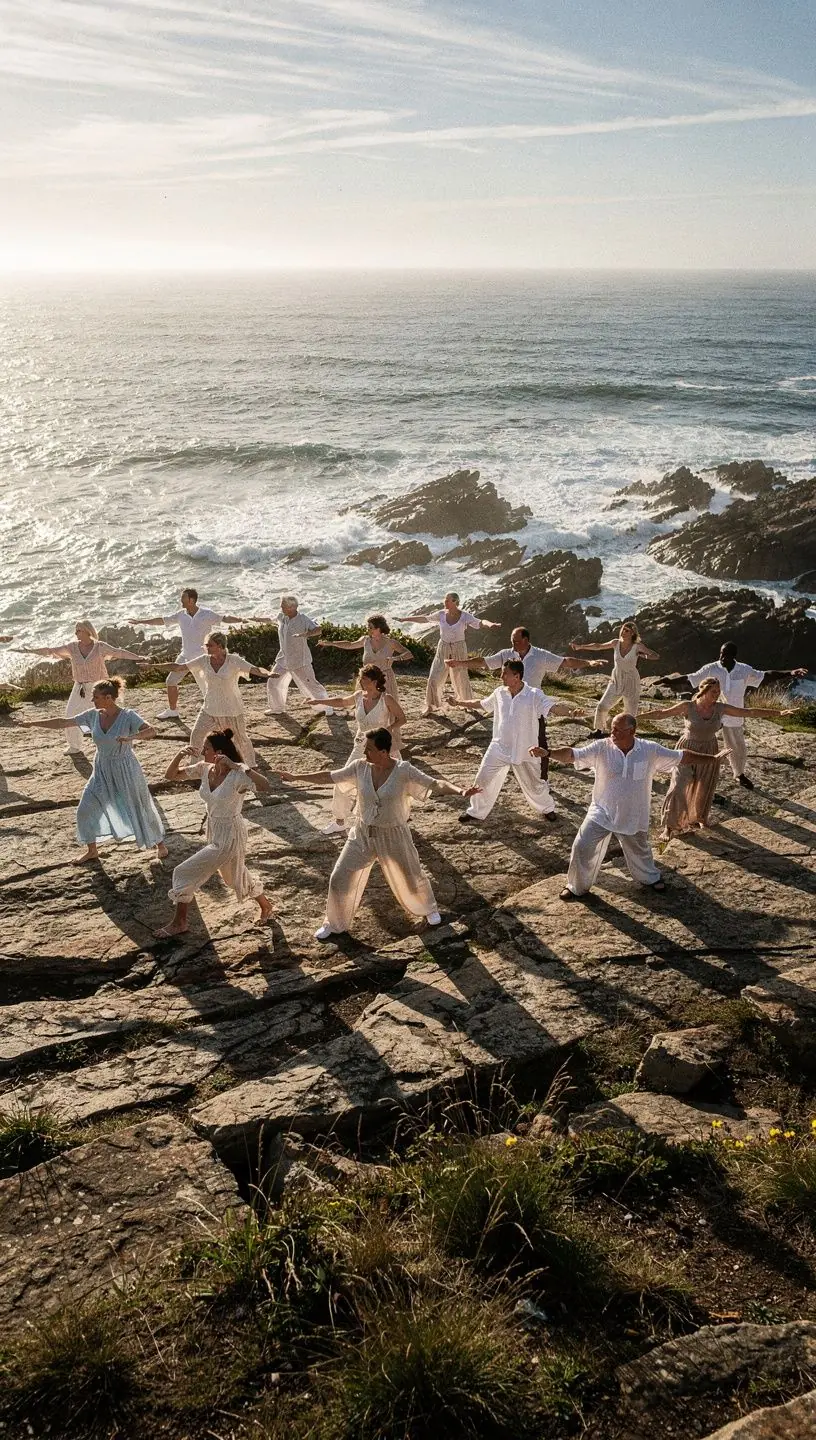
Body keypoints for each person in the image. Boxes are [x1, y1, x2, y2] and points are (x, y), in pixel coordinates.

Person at [278, 726, 481, 939]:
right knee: (339, 877)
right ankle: (334, 923)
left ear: (384, 752)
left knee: (411, 875)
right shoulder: (360, 767)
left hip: (393, 834)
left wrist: (461, 791)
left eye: (369, 749)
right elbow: (329, 777)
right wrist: (296, 777)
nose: (365, 753)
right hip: (362, 833)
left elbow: (435, 783)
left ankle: (429, 909)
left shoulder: (404, 771)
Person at [536, 712, 724, 900]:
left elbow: (682, 756)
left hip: (633, 814)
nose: (612, 733)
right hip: (602, 811)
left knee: (640, 852)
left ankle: (650, 878)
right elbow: (572, 755)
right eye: (612, 729)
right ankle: (576, 886)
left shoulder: (649, 750)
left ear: (632, 731)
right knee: (581, 846)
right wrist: (549, 753)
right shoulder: (602, 747)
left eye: (617, 730)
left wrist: (712, 759)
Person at [18, 677, 167, 864]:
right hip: (101, 769)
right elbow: (63, 722)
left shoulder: (128, 716)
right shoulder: (93, 715)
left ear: (109, 698)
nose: (92, 701)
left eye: (95, 697)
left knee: (139, 806)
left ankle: (160, 844)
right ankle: (92, 850)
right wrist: (33, 723)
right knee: (85, 808)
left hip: (125, 769)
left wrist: (131, 737)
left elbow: (151, 731)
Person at [157, 729, 274, 937]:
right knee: (232, 878)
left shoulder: (237, 776)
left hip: (231, 833)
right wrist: (180, 755)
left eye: (206, 748)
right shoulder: (204, 769)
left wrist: (239, 766)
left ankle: (179, 922)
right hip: (214, 830)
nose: (202, 751)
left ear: (219, 752)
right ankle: (266, 905)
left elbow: (265, 786)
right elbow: (170, 775)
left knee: (183, 872)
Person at [644, 679, 794, 837]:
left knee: (705, 786)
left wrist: (778, 713)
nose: (717, 695)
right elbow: (661, 714)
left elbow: (748, 712)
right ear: (703, 690)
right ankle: (669, 826)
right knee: (678, 786)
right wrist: (636, 717)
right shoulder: (688, 706)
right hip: (686, 749)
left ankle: (699, 818)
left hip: (710, 749)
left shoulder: (720, 708)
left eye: (718, 691)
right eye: (713, 692)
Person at [453, 659, 585, 823]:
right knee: (483, 779)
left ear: (517, 676)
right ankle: (476, 812)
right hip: (499, 747)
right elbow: (481, 704)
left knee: (535, 785)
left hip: (526, 749)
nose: (501, 676)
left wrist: (571, 712)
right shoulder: (499, 693)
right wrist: (458, 702)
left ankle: (547, 808)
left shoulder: (534, 695)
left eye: (505, 673)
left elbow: (553, 708)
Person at [682, 642, 808, 790]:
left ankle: (739, 774)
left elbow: (766, 675)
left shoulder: (744, 670)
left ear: (733, 656)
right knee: (700, 741)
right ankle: (690, 771)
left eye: (726, 655)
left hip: (732, 715)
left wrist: (790, 672)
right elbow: (691, 678)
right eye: (721, 653)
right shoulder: (712, 668)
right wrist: (669, 681)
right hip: (711, 711)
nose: (722, 657)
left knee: (738, 748)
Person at [11, 622, 150, 754]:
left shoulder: (100, 647)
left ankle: (123, 740)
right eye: (75, 630)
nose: (75, 633)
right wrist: (29, 651)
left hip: (100, 687)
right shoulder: (72, 647)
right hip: (79, 687)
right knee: (70, 713)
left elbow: (118, 652)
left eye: (78, 630)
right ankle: (74, 746)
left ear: (87, 631)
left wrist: (139, 657)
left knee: (110, 714)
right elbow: (50, 651)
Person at [305, 664, 407, 834]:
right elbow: (342, 702)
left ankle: (392, 818)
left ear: (374, 681)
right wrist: (319, 701)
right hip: (361, 746)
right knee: (342, 780)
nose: (360, 681)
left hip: (381, 748)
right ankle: (339, 821)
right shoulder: (359, 696)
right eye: (360, 678)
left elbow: (402, 718)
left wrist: (389, 729)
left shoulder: (386, 699)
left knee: (386, 786)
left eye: (364, 679)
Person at [127, 588, 256, 721]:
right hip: (185, 655)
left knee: (207, 689)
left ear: (191, 600)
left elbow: (224, 618)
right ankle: (173, 711)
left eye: (183, 598)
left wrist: (241, 619)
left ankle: (223, 713)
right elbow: (162, 620)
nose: (181, 601)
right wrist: (141, 621)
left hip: (201, 658)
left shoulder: (206, 614)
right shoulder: (181, 615)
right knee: (171, 681)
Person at [169, 632, 270, 766]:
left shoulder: (233, 660)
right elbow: (179, 667)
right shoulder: (203, 660)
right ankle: (196, 767)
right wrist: (152, 666)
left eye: (210, 645)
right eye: (206, 645)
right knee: (197, 735)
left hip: (231, 709)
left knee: (240, 739)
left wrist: (269, 674)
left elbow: (255, 669)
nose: (206, 647)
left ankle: (250, 766)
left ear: (220, 646)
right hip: (210, 708)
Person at [395, 592, 501, 716]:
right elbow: (425, 618)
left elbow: (480, 622)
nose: (444, 602)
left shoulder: (465, 616)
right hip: (443, 647)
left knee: (461, 677)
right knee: (433, 677)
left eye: (447, 600)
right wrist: (404, 619)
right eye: (445, 600)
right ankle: (431, 705)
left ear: (455, 602)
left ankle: (467, 704)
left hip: (459, 648)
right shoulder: (441, 614)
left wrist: (491, 624)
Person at [570, 622, 659, 735]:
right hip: (616, 678)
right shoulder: (615, 643)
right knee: (602, 706)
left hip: (631, 680)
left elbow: (655, 656)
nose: (623, 632)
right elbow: (598, 646)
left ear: (633, 633)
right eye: (623, 629)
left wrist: (643, 655)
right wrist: (581, 646)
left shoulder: (638, 646)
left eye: (627, 630)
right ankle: (599, 730)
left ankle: (628, 734)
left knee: (630, 712)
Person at [317, 614, 412, 703]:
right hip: (367, 679)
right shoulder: (365, 640)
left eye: (370, 627)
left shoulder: (391, 643)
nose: (368, 630)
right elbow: (349, 644)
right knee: (366, 706)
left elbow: (408, 653)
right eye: (368, 627)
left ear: (379, 628)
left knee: (385, 707)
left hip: (385, 680)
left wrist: (396, 658)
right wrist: (330, 643)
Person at [265, 595, 335, 715]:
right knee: (273, 682)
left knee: (312, 684)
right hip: (283, 659)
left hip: (300, 660)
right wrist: (253, 619)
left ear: (293, 607)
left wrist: (306, 634)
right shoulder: (281, 616)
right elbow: (269, 619)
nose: (281, 607)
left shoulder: (303, 619)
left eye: (283, 606)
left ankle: (327, 707)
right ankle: (277, 708)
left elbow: (318, 629)